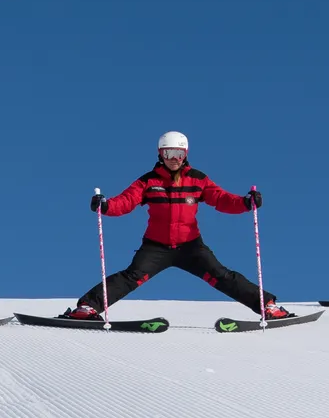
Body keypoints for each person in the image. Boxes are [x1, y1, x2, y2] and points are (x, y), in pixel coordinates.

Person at [52, 131, 288, 321]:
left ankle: (267, 306)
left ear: (185, 154)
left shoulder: (197, 179)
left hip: (190, 246)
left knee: (221, 275)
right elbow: (126, 201)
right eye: (169, 152)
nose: (174, 158)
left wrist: (246, 203)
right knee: (132, 276)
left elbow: (221, 198)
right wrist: (105, 206)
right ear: (160, 154)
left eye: (178, 153)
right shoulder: (149, 181)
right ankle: (87, 308)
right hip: (156, 247)